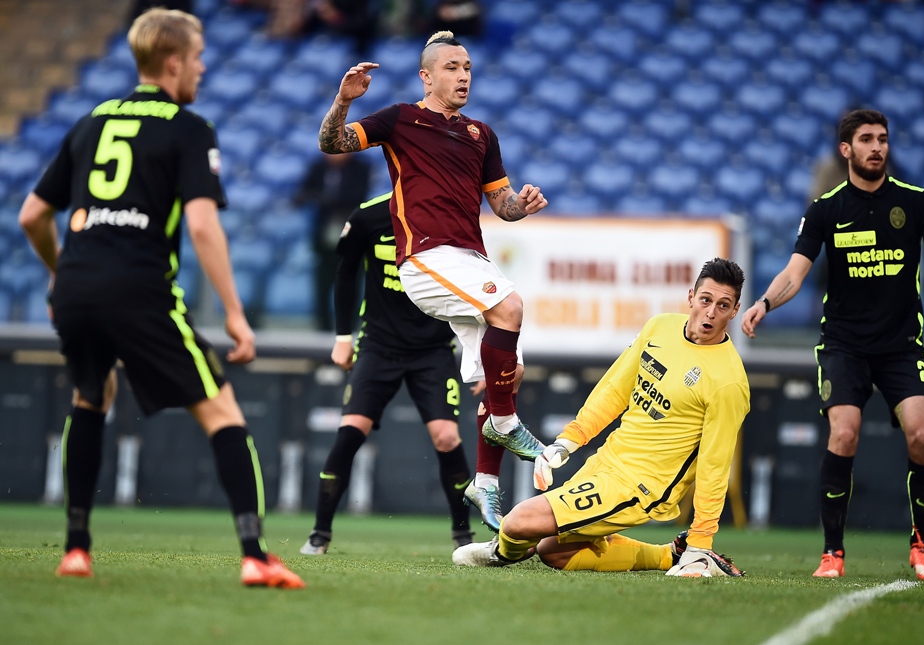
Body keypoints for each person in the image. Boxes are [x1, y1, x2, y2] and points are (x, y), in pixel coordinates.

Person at [18, 8, 304, 589]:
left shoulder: (90, 121)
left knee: (90, 397)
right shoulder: (188, 127)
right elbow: (202, 227)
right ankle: (255, 556)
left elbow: (31, 215)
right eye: (197, 57)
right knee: (222, 412)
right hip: (140, 288)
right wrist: (233, 311)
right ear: (174, 62)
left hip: (76, 288)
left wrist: (58, 274)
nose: (202, 67)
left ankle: (76, 549)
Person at [741, 109, 924, 581]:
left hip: (901, 347)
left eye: (884, 139)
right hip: (843, 345)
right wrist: (765, 303)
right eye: (867, 139)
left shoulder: (917, 203)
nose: (878, 147)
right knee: (844, 434)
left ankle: (922, 544)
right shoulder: (826, 208)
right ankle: (833, 552)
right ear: (846, 150)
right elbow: (795, 271)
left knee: (922, 436)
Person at [316, 31, 549, 532]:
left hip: (470, 260)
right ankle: (508, 426)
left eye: (467, 67)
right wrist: (343, 100)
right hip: (425, 259)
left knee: (503, 377)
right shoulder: (400, 119)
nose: (463, 75)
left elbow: (501, 204)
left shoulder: (481, 135)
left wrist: (521, 206)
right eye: (452, 67)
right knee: (510, 310)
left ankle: (484, 481)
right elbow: (331, 142)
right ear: (427, 75)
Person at [452, 259, 749, 578]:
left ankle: (503, 551)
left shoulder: (728, 382)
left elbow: (715, 466)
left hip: (641, 486)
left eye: (723, 305)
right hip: (606, 461)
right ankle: (669, 555)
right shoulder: (660, 327)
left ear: (735, 311)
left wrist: (701, 540)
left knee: (519, 522)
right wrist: (568, 441)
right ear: (691, 296)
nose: (711, 312)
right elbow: (614, 390)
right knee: (554, 552)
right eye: (706, 300)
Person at [300, 191, 476, 554]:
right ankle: (319, 535)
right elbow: (345, 273)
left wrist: (480, 358)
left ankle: (464, 536)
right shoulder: (368, 215)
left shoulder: (449, 215)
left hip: (433, 349)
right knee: (351, 431)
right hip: (379, 345)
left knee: (446, 437)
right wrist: (343, 337)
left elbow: (475, 289)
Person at [294, 151, 371, 331]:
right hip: (324, 238)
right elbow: (300, 195)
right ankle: (323, 332)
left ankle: (350, 332)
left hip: (352, 236)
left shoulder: (361, 168)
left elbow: (357, 196)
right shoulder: (317, 167)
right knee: (322, 285)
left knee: (352, 285)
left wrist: (324, 199)